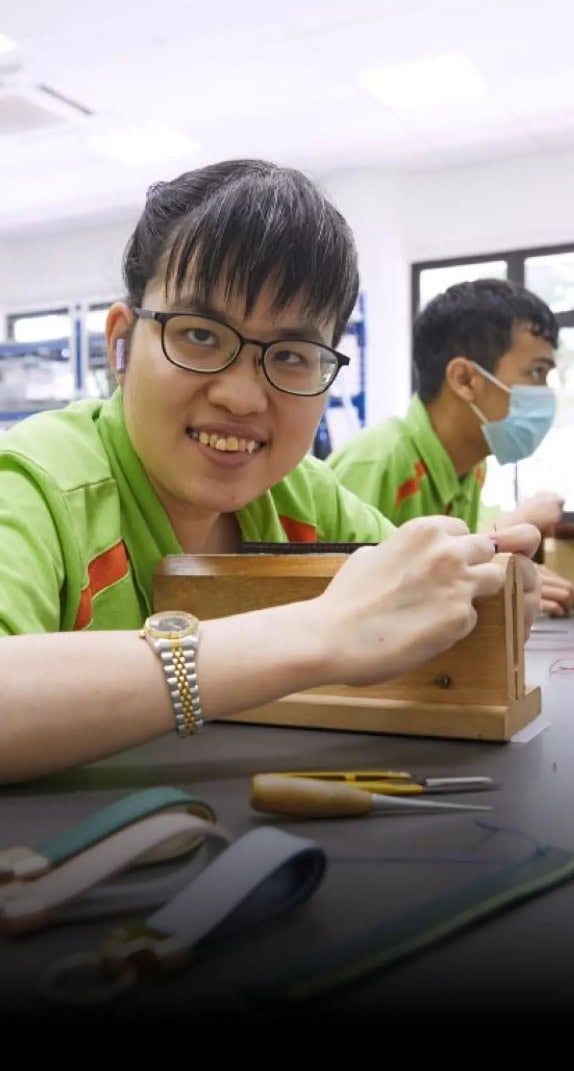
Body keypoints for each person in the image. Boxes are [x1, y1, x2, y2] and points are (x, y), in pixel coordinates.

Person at [0, 162, 540, 785]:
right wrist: (318, 632)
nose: (242, 397)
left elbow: (410, 596)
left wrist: (487, 594)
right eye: (199, 334)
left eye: (289, 355)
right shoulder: (36, 486)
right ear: (120, 345)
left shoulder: (300, 495)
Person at [328, 278, 572, 617]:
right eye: (535, 372)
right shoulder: (378, 461)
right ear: (465, 380)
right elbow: (336, 603)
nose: (545, 394)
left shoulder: (471, 467)